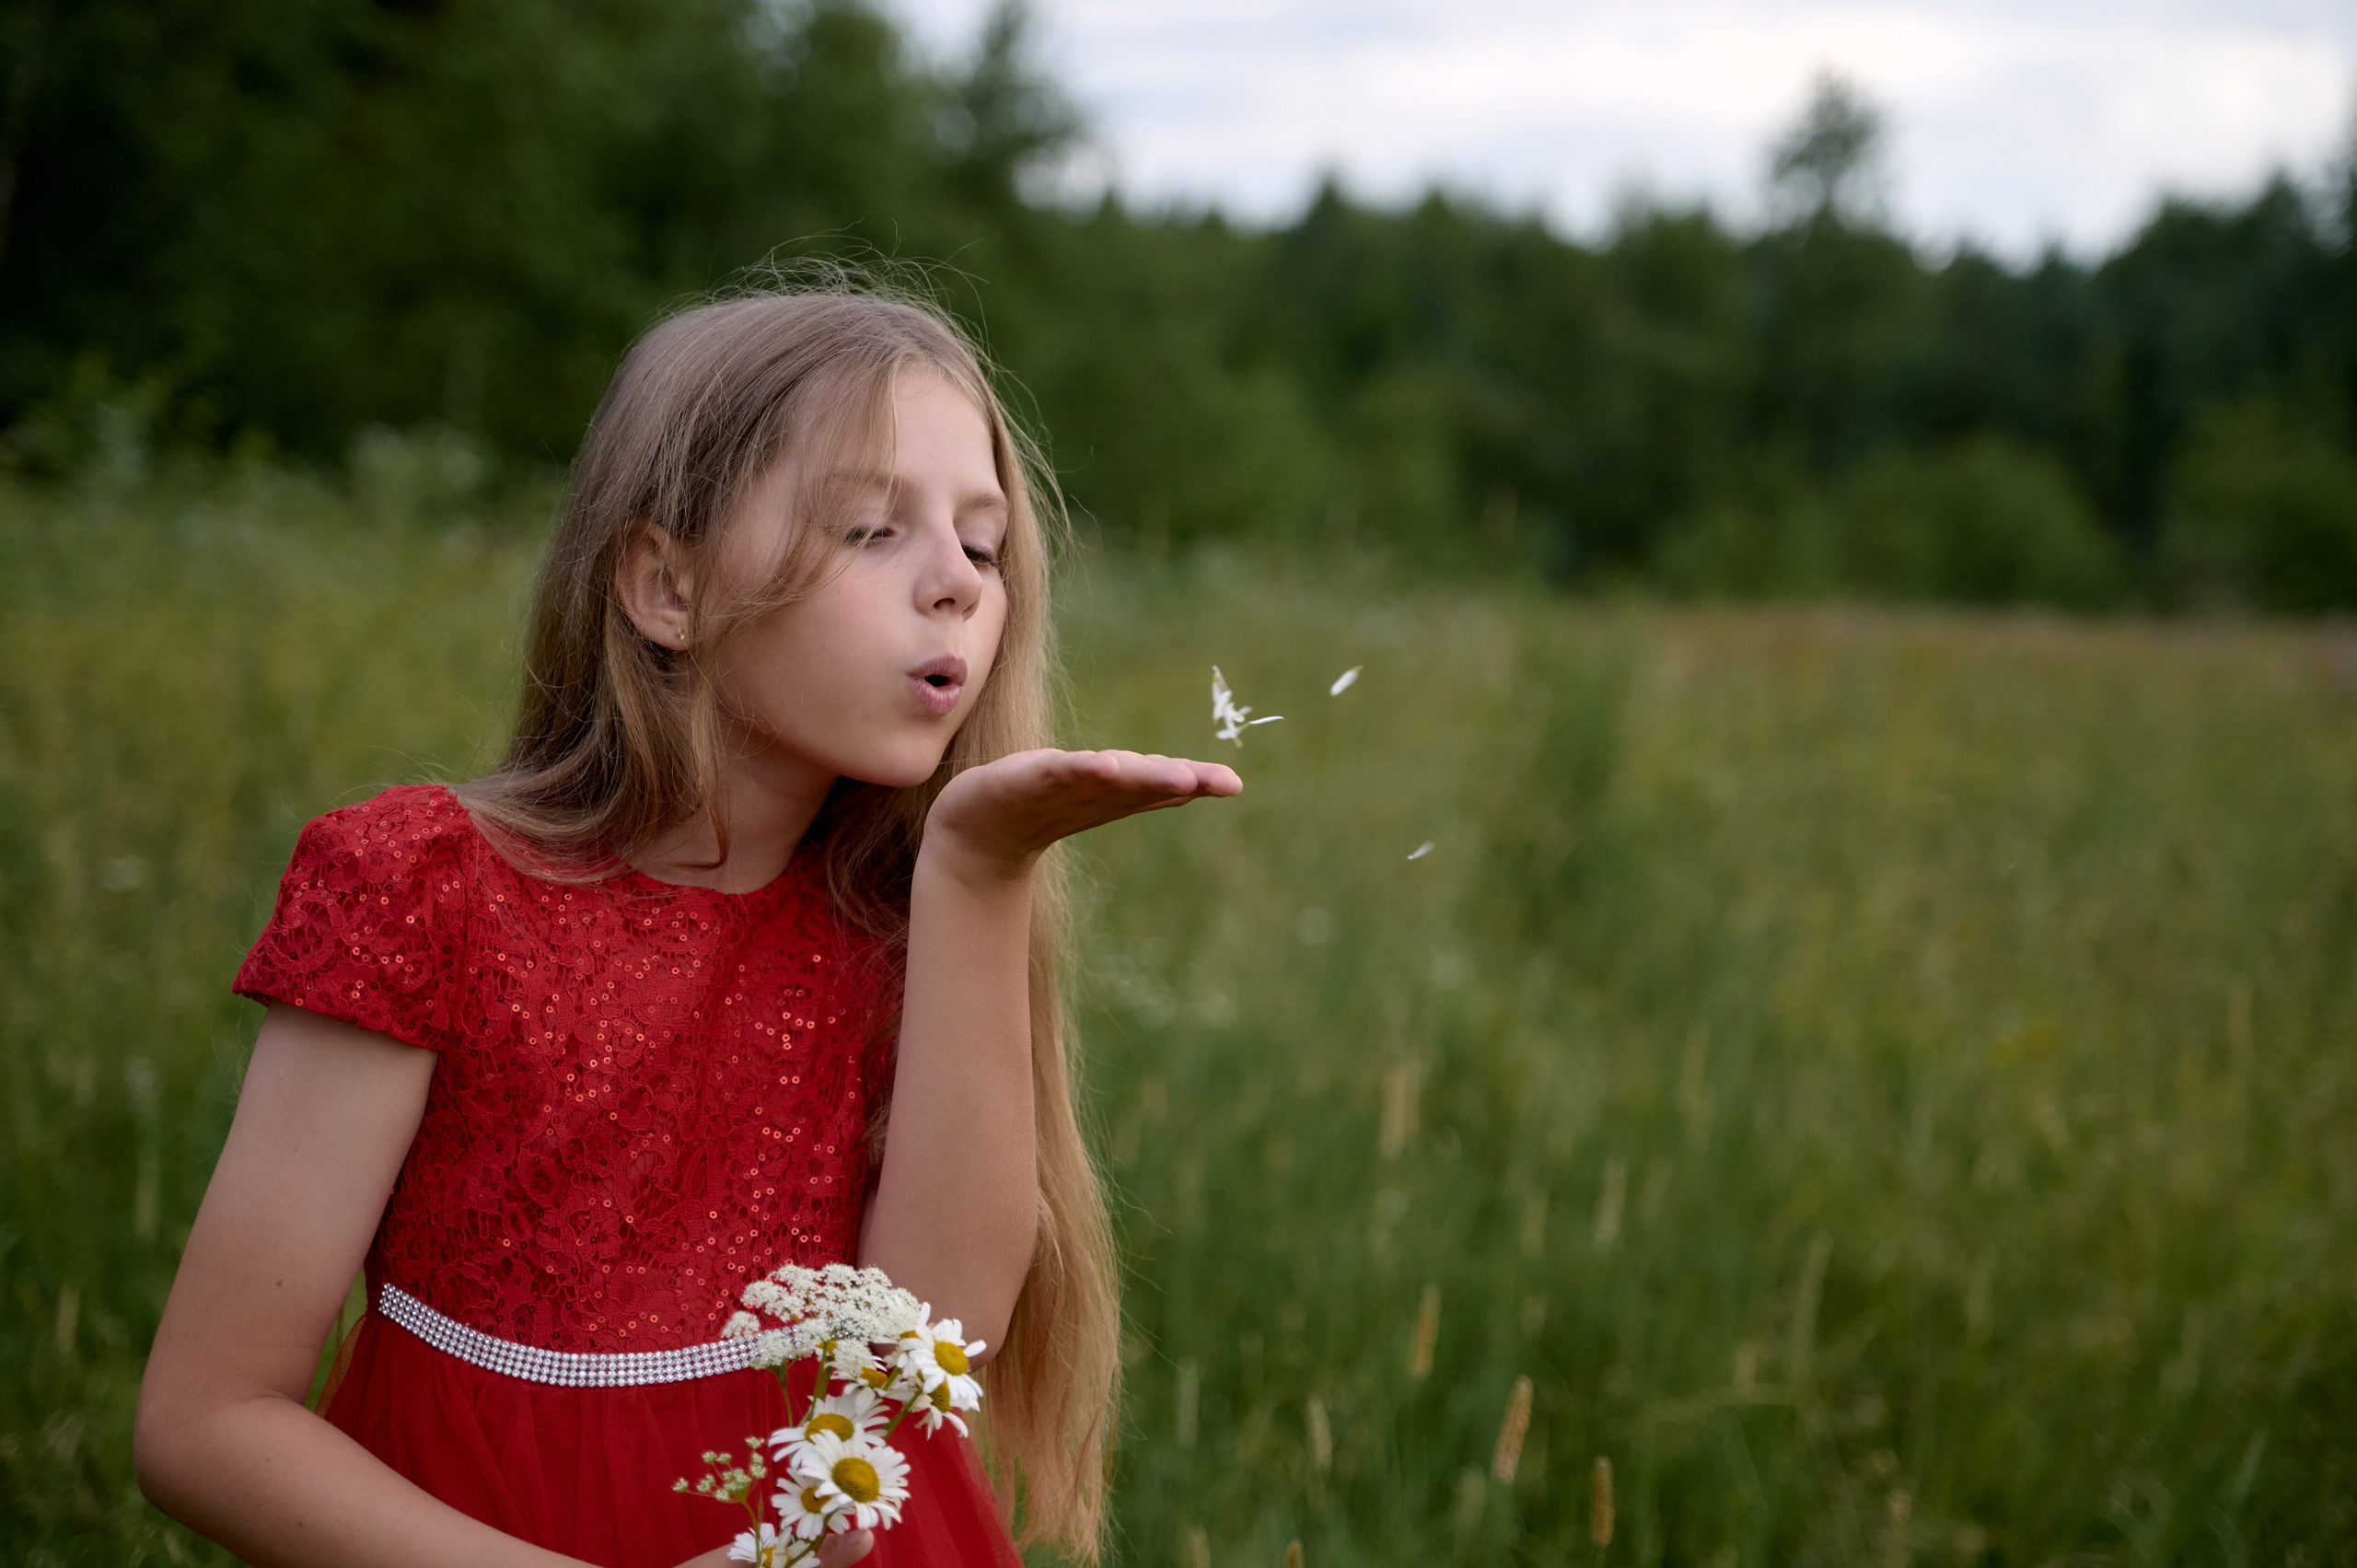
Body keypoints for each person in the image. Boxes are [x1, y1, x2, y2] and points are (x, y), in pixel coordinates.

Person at [132, 285, 1240, 1568]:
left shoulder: (904, 917)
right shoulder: (418, 889)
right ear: (667, 585)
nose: (955, 587)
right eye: (873, 530)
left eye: (985, 547)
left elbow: (921, 1349)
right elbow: (208, 1424)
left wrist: (981, 876)